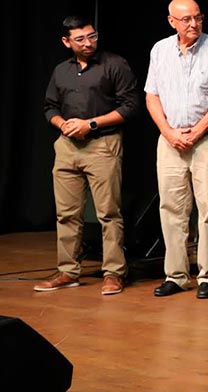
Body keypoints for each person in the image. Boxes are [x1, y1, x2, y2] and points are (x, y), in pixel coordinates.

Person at [37, 16, 140, 295]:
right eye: (80, 39)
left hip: (103, 145)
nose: (88, 43)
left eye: (92, 36)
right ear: (66, 41)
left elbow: (130, 106)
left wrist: (91, 124)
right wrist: (64, 125)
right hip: (67, 146)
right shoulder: (61, 70)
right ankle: (67, 271)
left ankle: (114, 273)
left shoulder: (114, 64)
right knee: (66, 214)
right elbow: (49, 107)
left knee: (109, 213)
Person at [145, 0, 208, 299]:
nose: (193, 23)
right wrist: (169, 132)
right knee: (171, 210)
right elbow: (152, 96)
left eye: (197, 17)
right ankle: (176, 275)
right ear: (172, 21)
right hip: (170, 140)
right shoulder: (160, 50)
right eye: (186, 19)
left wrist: (195, 132)